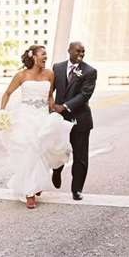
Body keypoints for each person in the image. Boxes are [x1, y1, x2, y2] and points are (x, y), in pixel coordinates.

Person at [0, 45, 73, 209]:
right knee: (29, 151)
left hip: (42, 116)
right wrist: (1, 112)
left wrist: (54, 109)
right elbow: (7, 93)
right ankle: (29, 192)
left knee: (42, 151)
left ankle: (36, 183)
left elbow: (49, 96)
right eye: (43, 54)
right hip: (25, 117)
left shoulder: (49, 74)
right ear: (33, 57)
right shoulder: (21, 75)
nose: (45, 57)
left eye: (46, 54)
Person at [52, 42, 97, 201]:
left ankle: (76, 189)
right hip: (59, 120)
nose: (81, 54)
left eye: (83, 51)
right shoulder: (57, 68)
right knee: (58, 150)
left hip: (80, 120)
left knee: (80, 157)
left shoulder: (89, 71)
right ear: (69, 50)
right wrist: (49, 106)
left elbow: (85, 95)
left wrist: (64, 106)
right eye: (78, 51)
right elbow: (50, 90)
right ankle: (56, 171)